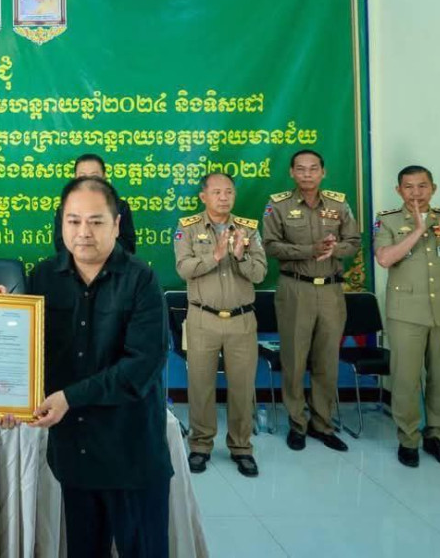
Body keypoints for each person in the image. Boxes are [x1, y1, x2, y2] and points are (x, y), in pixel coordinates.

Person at [28, 176, 172, 558]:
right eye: (73, 221)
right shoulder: (42, 278)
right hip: (76, 453)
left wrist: (70, 397)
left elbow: (141, 367)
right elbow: (25, 350)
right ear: (61, 223)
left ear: (117, 224)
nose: (83, 232)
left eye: (96, 221)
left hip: (131, 453)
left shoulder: (141, 280)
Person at [374, 165, 440, 469]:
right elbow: (385, 259)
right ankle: (408, 440)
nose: (416, 193)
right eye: (409, 187)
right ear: (399, 190)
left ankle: (438, 437)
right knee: (406, 379)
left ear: (433, 188)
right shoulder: (388, 220)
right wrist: (418, 231)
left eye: (422, 186)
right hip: (406, 313)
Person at [262, 150, 360, 452]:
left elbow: (354, 242)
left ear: (323, 172)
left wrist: (335, 249)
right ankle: (297, 424)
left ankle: (323, 424)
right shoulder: (277, 205)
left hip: (331, 291)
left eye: (313, 168)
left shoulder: (338, 204)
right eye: (301, 169)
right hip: (295, 288)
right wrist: (309, 250)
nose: (307, 174)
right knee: (294, 360)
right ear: (291, 172)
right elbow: (269, 246)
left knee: (327, 361)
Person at [175, 172, 267, 477]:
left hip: (242, 320)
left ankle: (241, 447)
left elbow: (260, 274)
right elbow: (184, 268)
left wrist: (240, 257)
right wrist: (215, 256)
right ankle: (200, 446)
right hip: (203, 319)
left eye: (229, 192)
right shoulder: (187, 228)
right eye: (217, 192)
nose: (224, 197)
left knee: (242, 387)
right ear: (203, 197)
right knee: (201, 386)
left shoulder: (248, 229)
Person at [53, 153, 136, 255]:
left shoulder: (120, 206)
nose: (88, 181)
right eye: (82, 176)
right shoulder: (65, 207)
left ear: (104, 177)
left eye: (94, 176)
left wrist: (98, 252)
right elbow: (61, 245)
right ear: (75, 178)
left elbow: (128, 245)